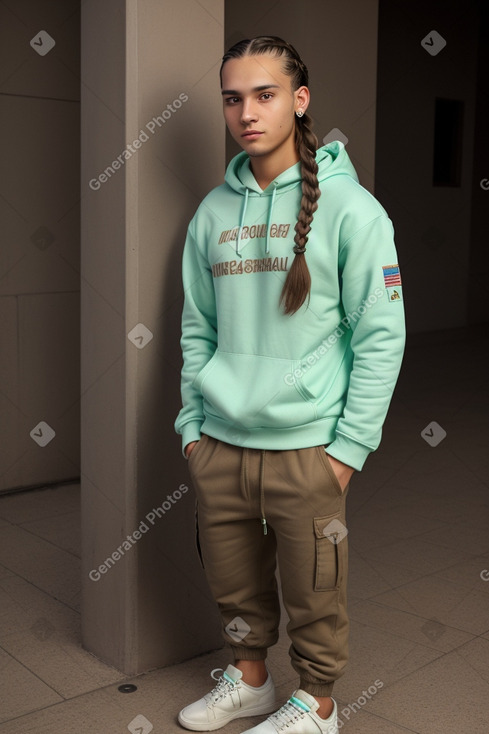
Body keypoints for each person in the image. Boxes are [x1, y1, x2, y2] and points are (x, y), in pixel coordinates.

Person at [174, 35, 405, 734]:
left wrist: (345, 451)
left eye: (265, 94)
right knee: (233, 582)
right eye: (233, 97)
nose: (247, 111)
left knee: (314, 590)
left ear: (299, 101)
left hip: (308, 449)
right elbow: (195, 330)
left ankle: (318, 705)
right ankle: (250, 682)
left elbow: (381, 337)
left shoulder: (353, 211)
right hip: (220, 441)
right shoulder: (212, 214)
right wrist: (191, 431)